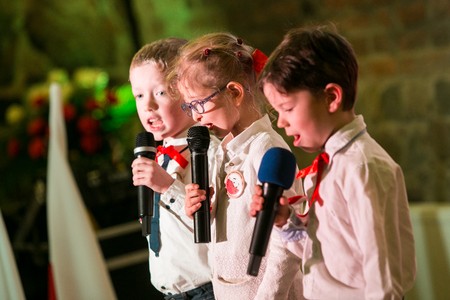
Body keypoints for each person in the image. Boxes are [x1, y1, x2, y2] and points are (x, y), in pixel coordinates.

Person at [250, 25, 417, 299]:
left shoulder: (362, 167)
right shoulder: (329, 165)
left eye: (288, 108)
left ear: (331, 97)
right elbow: (328, 255)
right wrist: (285, 221)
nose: (281, 122)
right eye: (277, 111)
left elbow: (382, 276)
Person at [170, 32, 303, 300]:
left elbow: (286, 243)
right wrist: (198, 208)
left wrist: (267, 297)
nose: (196, 116)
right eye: (189, 106)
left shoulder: (266, 150)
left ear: (234, 92)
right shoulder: (222, 150)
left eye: (199, 104)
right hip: (229, 290)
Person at [130, 38, 218, 300]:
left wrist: (168, 187)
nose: (148, 106)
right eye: (139, 95)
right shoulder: (157, 155)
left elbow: (214, 226)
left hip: (206, 289)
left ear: (187, 90)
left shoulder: (205, 151)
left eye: (160, 93)